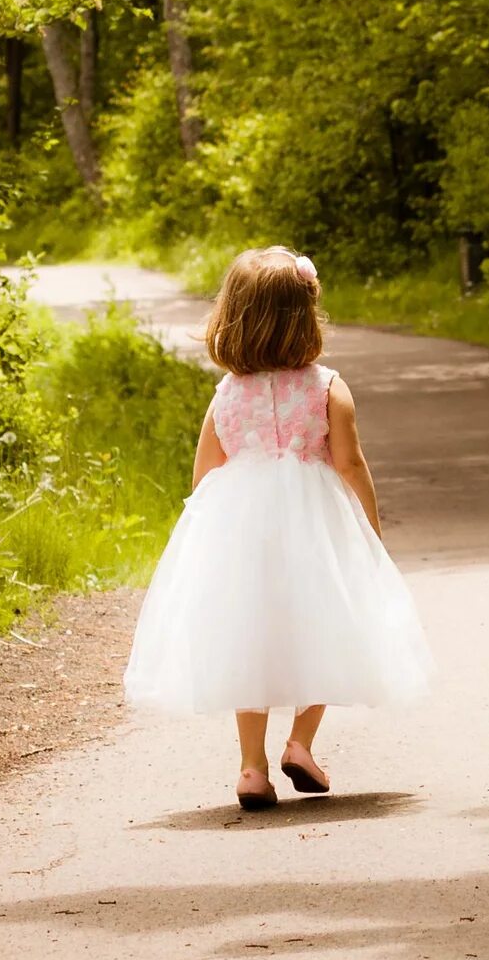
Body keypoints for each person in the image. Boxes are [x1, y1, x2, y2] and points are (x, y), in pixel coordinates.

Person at [122, 246, 432, 809]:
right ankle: (300, 744)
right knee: (328, 627)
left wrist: (205, 536)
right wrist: (369, 531)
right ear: (306, 316)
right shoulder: (327, 387)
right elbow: (350, 464)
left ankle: (250, 768)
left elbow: (205, 472)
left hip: (241, 533)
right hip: (314, 529)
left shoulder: (226, 395)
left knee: (251, 640)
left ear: (234, 318)